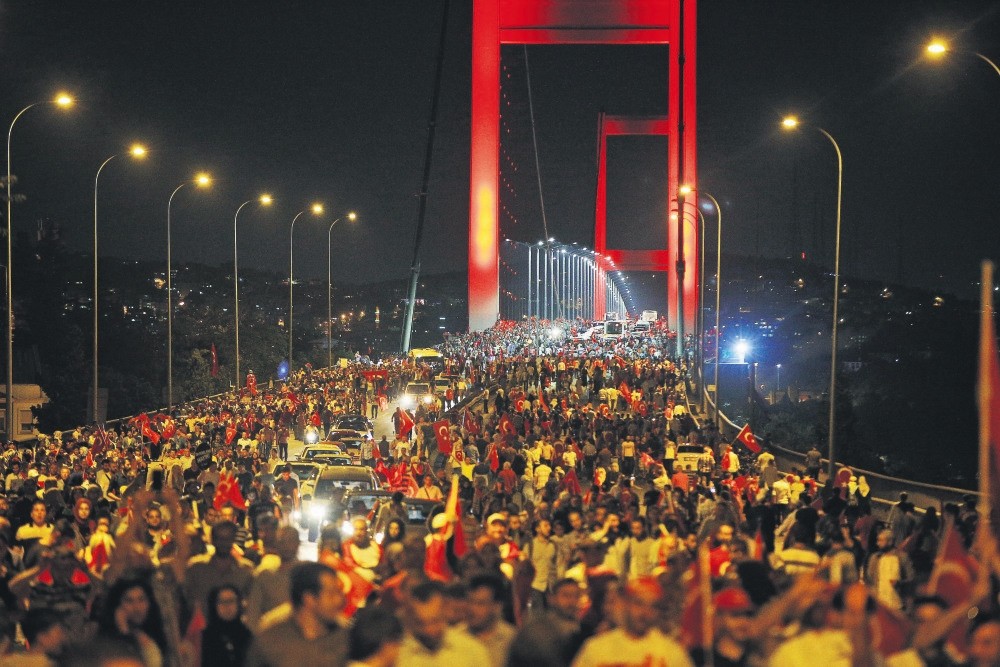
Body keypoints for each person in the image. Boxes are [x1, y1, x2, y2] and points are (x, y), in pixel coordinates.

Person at [572, 576, 693, 667]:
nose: (645, 612)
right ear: (626, 604)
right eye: (639, 603)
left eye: (652, 606)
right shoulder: (596, 649)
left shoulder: (672, 654)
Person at [246, 562, 349, 667]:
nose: (339, 600)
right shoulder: (270, 642)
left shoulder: (345, 640)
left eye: (339, 593)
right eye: (331, 594)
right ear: (309, 599)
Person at [396, 580, 492, 666]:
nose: (429, 630)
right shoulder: (399, 657)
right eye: (421, 623)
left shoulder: (472, 652)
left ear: (446, 611)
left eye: (435, 621)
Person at [96, 576, 169, 667]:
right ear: (118, 605)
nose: (137, 608)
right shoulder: (107, 640)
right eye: (129, 601)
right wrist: (123, 631)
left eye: (141, 600)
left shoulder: (155, 633)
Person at [464, 573, 516, 667]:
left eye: (480, 603)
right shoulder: (455, 637)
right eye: (470, 601)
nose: (472, 609)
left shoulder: (512, 641)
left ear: (497, 607)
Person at [201, 585, 253, 667]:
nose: (227, 606)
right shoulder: (205, 638)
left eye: (231, 601)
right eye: (222, 602)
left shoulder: (248, 635)